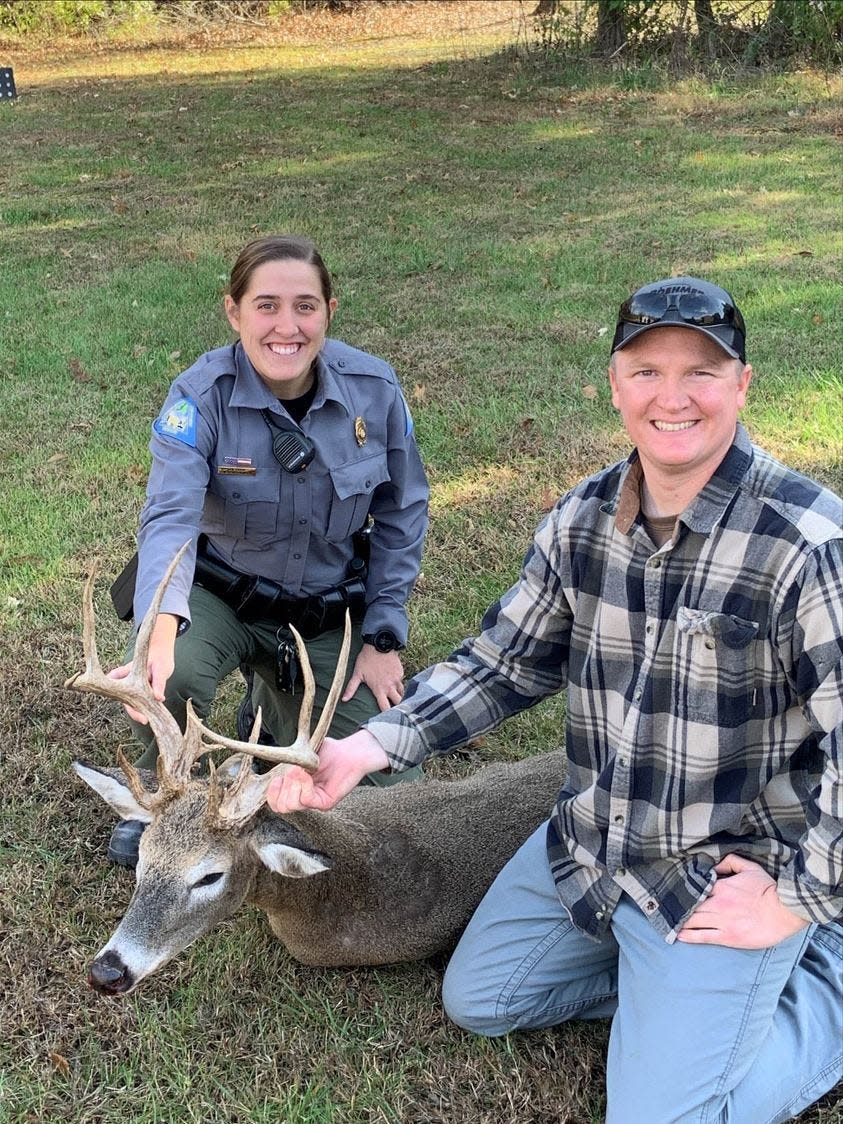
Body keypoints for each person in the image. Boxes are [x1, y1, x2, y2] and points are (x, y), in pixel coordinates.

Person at [265, 277, 843, 1123]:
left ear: (742, 386)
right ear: (614, 384)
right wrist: (367, 747)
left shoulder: (806, 545)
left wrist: (795, 895)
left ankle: (823, 981)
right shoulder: (581, 520)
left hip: (725, 871)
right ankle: (673, 1005)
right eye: (645, 371)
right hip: (596, 842)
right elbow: (504, 662)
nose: (671, 397)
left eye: (701, 373)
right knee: (482, 999)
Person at [106, 233, 429, 866]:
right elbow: (170, 517)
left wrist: (382, 638)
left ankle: (271, 704)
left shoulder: (375, 390)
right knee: (169, 679)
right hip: (220, 594)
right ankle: (151, 800)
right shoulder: (199, 397)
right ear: (234, 311)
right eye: (267, 306)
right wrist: (161, 627)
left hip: (324, 611)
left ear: (330, 310)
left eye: (305, 306)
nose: (287, 327)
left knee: (382, 787)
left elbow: (401, 513)